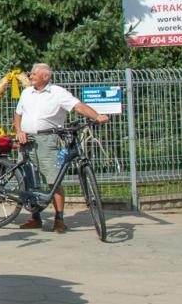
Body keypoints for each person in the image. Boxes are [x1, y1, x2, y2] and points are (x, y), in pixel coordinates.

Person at [13, 62, 111, 233]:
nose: (30, 76)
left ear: (45, 77)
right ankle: (35, 218)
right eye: (31, 74)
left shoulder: (57, 93)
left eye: (34, 74)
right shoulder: (27, 92)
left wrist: (97, 116)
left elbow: (78, 106)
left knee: (53, 180)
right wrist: (19, 131)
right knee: (28, 179)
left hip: (48, 140)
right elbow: (18, 114)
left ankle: (59, 219)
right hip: (26, 140)